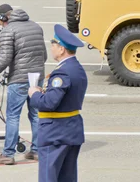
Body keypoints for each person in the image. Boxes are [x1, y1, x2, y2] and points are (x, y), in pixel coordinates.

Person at [28, 24, 88, 182]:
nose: (52, 48)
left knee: (49, 177)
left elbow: (48, 103)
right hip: (71, 131)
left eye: (53, 44)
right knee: (67, 178)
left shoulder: (62, 72)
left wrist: (34, 94)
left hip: (55, 133)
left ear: (61, 49)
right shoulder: (77, 68)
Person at [0, 4, 46, 165]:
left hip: (19, 79)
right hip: (37, 77)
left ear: (3, 18)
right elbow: (43, 55)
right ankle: (37, 151)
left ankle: (8, 154)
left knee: (13, 116)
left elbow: (4, 60)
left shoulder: (8, 31)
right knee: (36, 114)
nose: (0, 24)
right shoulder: (36, 26)